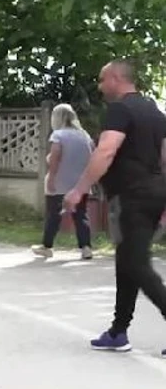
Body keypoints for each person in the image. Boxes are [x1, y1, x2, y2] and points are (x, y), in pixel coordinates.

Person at [62, 59, 166, 354]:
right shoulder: (155, 112)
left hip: (133, 197)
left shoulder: (120, 110)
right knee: (127, 261)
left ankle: (120, 330)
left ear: (117, 78)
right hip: (153, 194)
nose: (99, 86)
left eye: (102, 79)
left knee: (136, 264)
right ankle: (118, 332)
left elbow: (106, 151)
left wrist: (79, 189)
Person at [31, 103, 95, 260]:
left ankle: (47, 247)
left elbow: (55, 157)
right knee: (81, 214)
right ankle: (86, 247)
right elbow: (92, 157)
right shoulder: (84, 136)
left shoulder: (58, 135)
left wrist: (51, 178)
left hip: (60, 181)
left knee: (53, 214)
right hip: (80, 183)